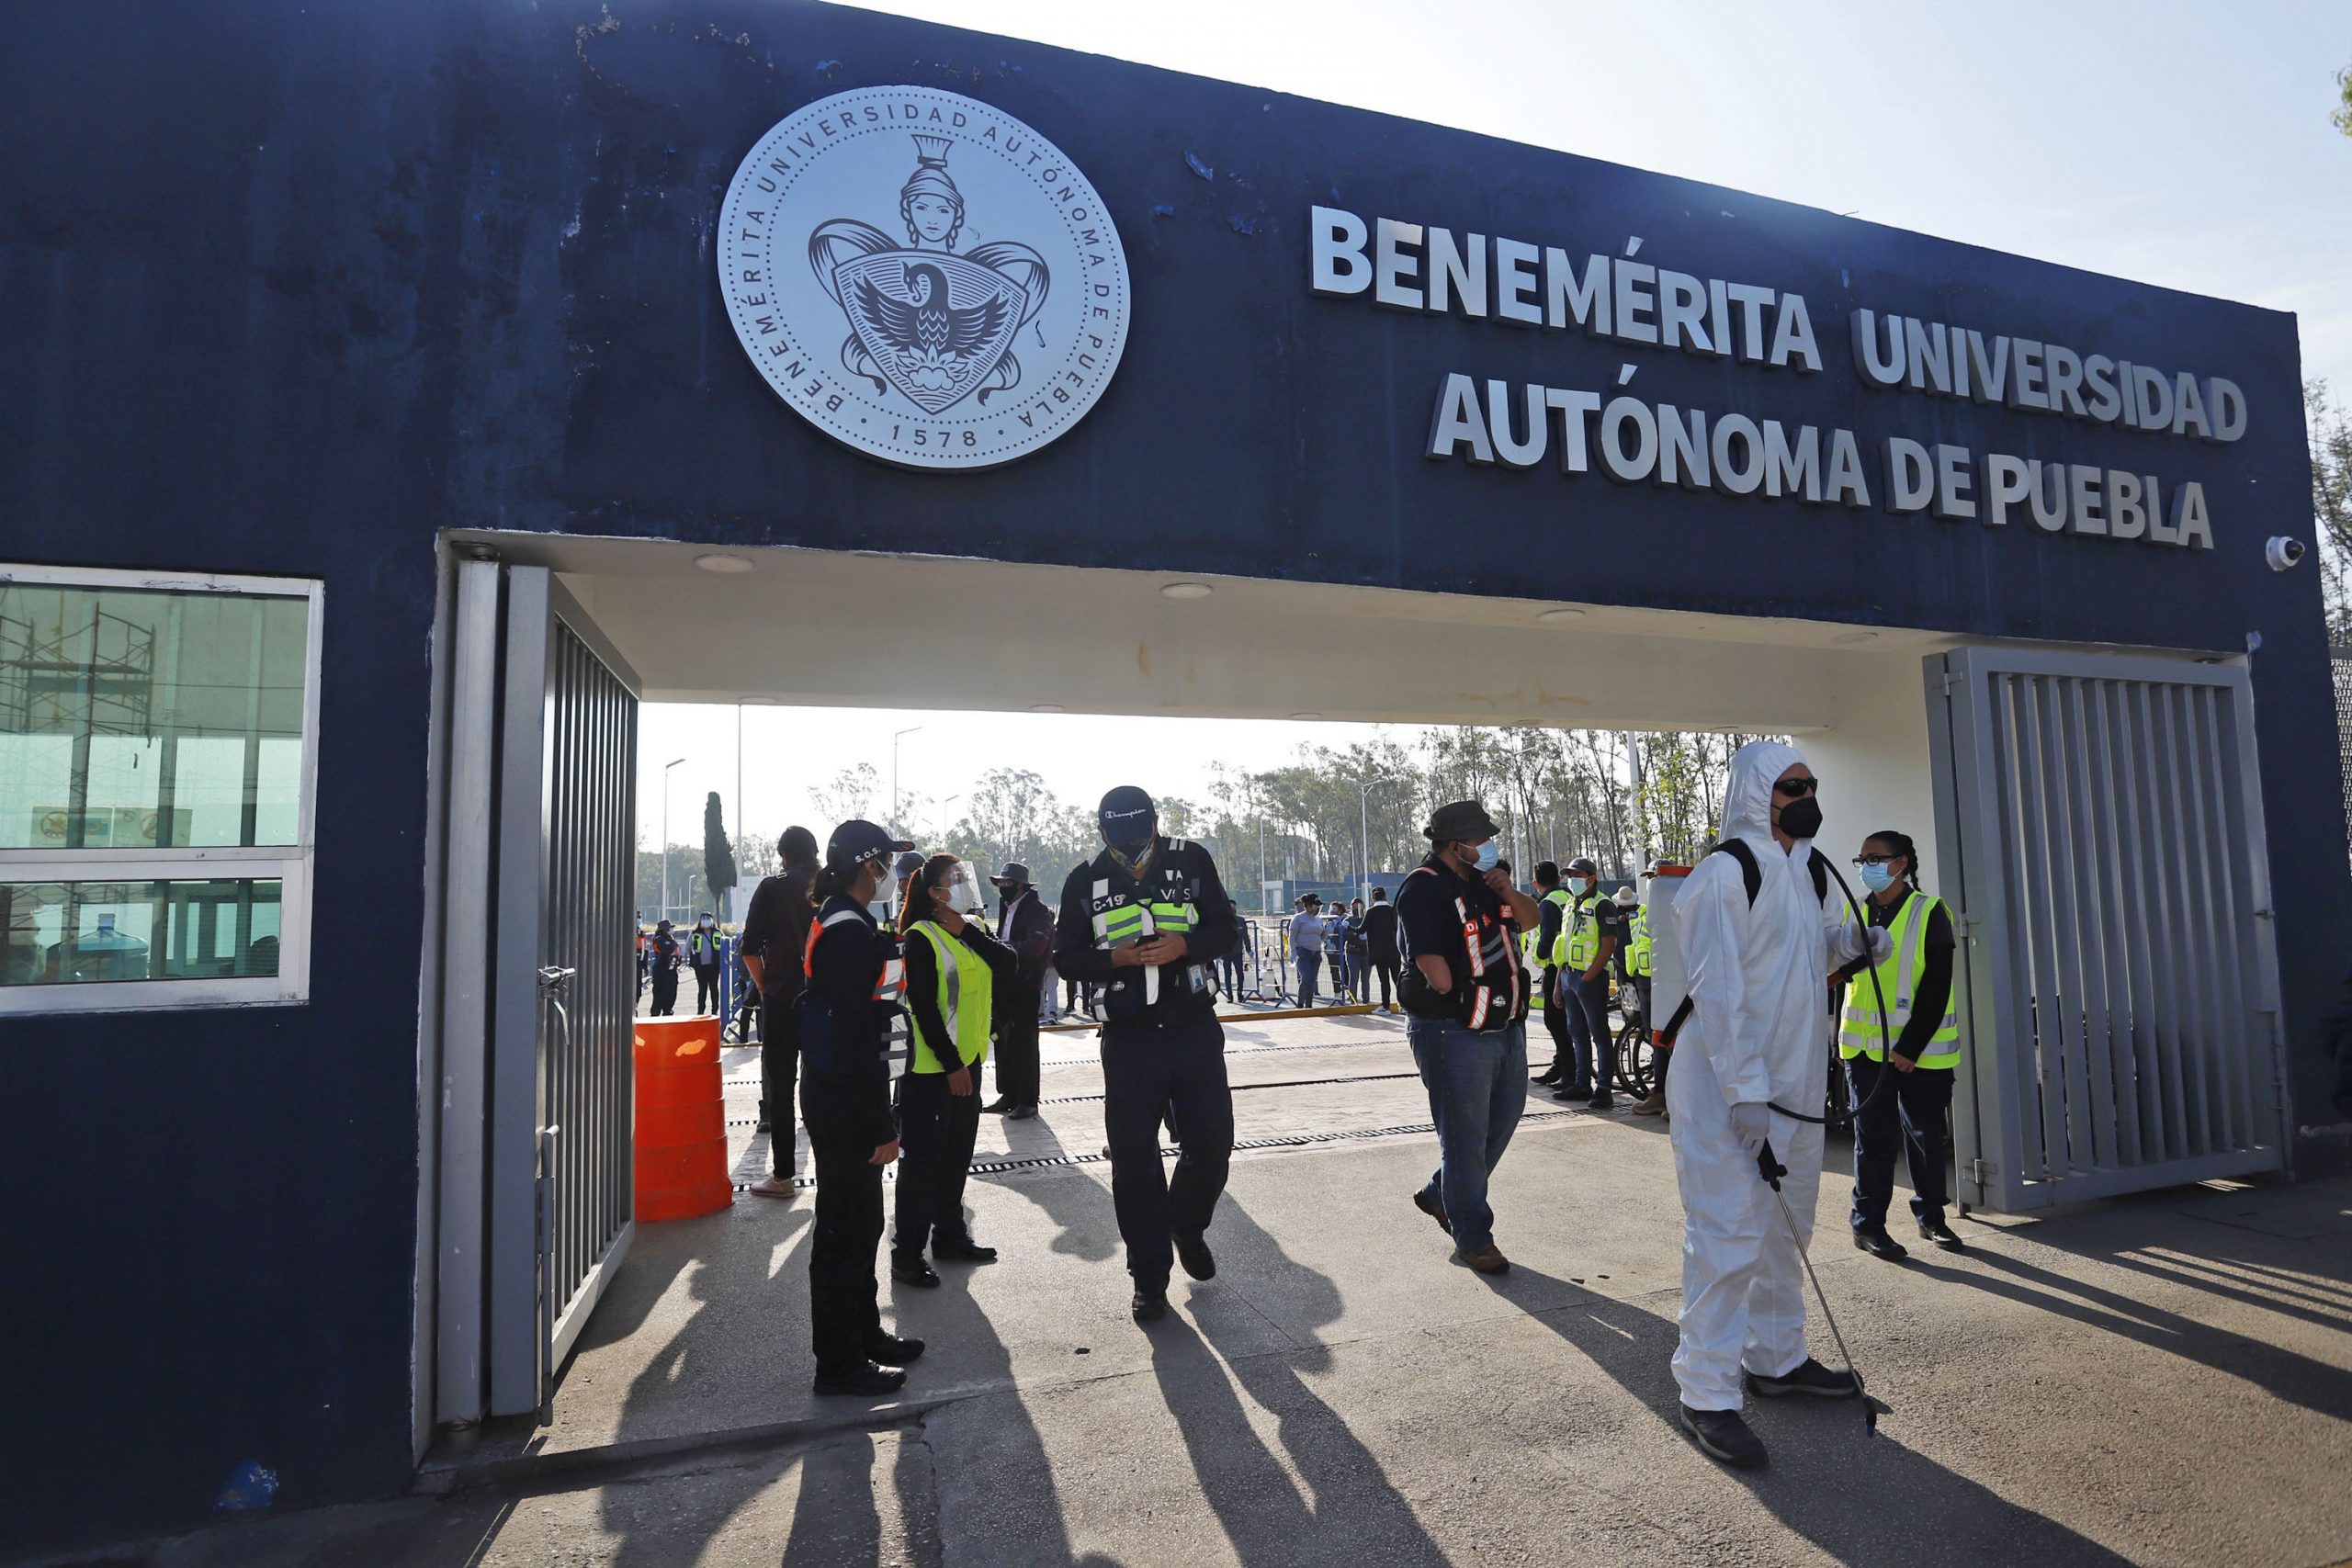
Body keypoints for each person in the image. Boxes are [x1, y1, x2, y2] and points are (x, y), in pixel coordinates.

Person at [1668, 742, 1888, 1470]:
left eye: (1812, 784)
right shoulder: (1723, 874)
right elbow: (1722, 991)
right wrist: (1746, 1094)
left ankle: (1775, 1357)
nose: (1807, 795)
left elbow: (1800, 958)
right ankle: (1706, 1392)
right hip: (1727, 1088)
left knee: (1784, 1228)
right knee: (1727, 1235)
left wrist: (1850, 942)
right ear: (1759, 795)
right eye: (1793, 786)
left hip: (1790, 1089)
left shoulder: (1806, 873)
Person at [1052, 786, 1238, 1325]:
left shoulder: (1191, 858)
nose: (1132, 849)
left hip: (1193, 1029)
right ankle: (1149, 1278)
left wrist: (1186, 946)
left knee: (1212, 1141)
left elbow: (1226, 929)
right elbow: (1065, 957)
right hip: (1130, 1039)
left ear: (1156, 825)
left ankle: (1186, 1223)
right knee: (1134, 1159)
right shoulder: (1084, 878)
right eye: (1119, 838)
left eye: (1140, 836)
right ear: (1101, 831)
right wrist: (1115, 958)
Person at [800, 818, 924, 1396]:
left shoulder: (846, 919)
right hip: (845, 1101)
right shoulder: (848, 932)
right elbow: (854, 1042)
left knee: (863, 1224)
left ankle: (866, 1334)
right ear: (867, 865)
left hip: (839, 1093)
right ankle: (839, 1363)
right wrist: (881, 1124)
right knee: (844, 1233)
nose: (893, 875)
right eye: (887, 864)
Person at [1396, 800, 1540, 1275]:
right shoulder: (1423, 888)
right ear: (1455, 845)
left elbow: (1530, 919)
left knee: (1501, 1120)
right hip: (1451, 1030)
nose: (1487, 847)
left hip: (1505, 1026)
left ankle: (1443, 1193)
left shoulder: (1484, 882)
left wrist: (1507, 888)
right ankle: (1474, 1236)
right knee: (1463, 1137)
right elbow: (1433, 968)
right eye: (1479, 840)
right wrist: (1465, 995)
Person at [1836, 829, 1964, 1259]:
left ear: (1901, 863)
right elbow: (1837, 971)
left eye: (1876, 858)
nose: (1867, 866)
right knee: (1873, 1141)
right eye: (1862, 859)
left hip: (1919, 1053)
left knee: (1927, 1137)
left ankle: (1932, 1217)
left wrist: (1909, 1048)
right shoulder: (1852, 912)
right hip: (1864, 1051)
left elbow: (1936, 985)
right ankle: (1868, 1226)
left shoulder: (1929, 911)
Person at [891, 853, 1017, 1287]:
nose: (964, 883)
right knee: (922, 1163)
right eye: (954, 879)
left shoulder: (973, 930)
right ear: (934, 893)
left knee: (957, 1155)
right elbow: (924, 1007)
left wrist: (965, 930)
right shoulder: (920, 936)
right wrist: (951, 1064)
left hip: (970, 1062)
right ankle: (907, 1254)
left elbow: (1009, 964)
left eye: (964, 877)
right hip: (932, 1070)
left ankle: (949, 1236)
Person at [740, 827, 820, 1199]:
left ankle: (784, 1177)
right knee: (824, 1084)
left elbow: (749, 948)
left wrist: (764, 985)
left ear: (783, 855)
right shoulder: (831, 886)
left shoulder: (771, 888)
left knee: (782, 1088)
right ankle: (831, 1172)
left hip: (782, 999)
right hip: (825, 1000)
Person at [1551, 858, 1626, 1110]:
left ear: (1591, 878)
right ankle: (1582, 1084)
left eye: (1576, 874)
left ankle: (1603, 1088)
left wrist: (1590, 976)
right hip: (1570, 977)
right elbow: (1565, 944)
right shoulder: (1571, 904)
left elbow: (1608, 944)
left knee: (1599, 1035)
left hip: (1589, 980)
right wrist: (1559, 982)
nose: (1571, 879)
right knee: (1577, 1033)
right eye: (1569, 875)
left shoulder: (1602, 904)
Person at [985, 861, 1054, 1120]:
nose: (1003, 887)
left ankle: (1028, 1099)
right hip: (1004, 984)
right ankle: (1009, 1095)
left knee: (1024, 1043)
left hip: (1025, 985)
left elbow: (1035, 947)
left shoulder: (1037, 910)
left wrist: (1001, 949)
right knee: (1004, 1042)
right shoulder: (1007, 907)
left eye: (1007, 883)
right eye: (1001, 883)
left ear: (1021, 885)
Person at [1528, 863, 1575, 1086]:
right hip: (1572, 965)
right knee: (1566, 1022)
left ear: (1537, 883)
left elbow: (1546, 938)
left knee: (1554, 1021)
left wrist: (1539, 953)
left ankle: (1568, 1071)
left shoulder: (1547, 903)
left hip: (1554, 968)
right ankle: (1561, 1066)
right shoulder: (1569, 896)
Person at [1628, 863, 1668, 1119]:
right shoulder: (1643, 912)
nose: (1650, 882)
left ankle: (1671, 1096)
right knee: (1656, 1040)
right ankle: (1661, 1093)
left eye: (1655, 877)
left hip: (1668, 986)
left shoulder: (1675, 908)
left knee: (1669, 1042)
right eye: (1649, 878)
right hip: (1646, 984)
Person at [1361, 886, 1401, 1012]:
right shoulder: (1392, 910)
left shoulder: (1371, 912)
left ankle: (1385, 1007)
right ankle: (1404, 1006)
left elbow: (1362, 929)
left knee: (1384, 980)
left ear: (1373, 897)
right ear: (1385, 896)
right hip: (1394, 950)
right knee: (1397, 979)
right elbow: (1398, 928)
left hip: (1379, 952)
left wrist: (1349, 928)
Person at [1288, 894, 1325, 1006]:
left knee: (1312, 979)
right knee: (1306, 978)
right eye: (1315, 905)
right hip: (1303, 952)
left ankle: (1309, 1004)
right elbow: (1292, 935)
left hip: (1316, 953)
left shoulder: (1318, 920)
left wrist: (1327, 930)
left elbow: (1321, 937)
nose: (1317, 908)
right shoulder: (1298, 918)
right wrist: (1293, 950)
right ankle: (1300, 1003)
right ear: (1308, 906)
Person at [687, 912, 723, 1014]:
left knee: (714, 988)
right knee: (702, 989)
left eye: (708, 918)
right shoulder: (694, 933)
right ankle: (700, 1010)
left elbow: (725, 945)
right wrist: (693, 957)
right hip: (700, 967)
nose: (706, 920)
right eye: (704, 918)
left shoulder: (718, 932)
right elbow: (687, 948)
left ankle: (715, 1010)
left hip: (714, 966)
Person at [648, 919, 681, 1017]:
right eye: (670, 928)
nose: (672, 930)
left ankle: (668, 1013)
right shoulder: (659, 939)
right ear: (665, 930)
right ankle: (654, 1019)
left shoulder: (670, 939)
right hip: (661, 975)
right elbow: (669, 948)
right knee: (658, 999)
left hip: (671, 973)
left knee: (671, 996)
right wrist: (673, 944)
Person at [1323, 897, 1353, 1000]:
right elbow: (1325, 934)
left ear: (1340, 910)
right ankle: (1337, 992)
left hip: (1340, 950)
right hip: (1330, 950)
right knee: (1334, 970)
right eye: (1331, 908)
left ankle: (1346, 989)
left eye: (1335, 908)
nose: (1332, 910)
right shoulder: (1328, 920)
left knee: (1344, 969)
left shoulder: (1344, 920)